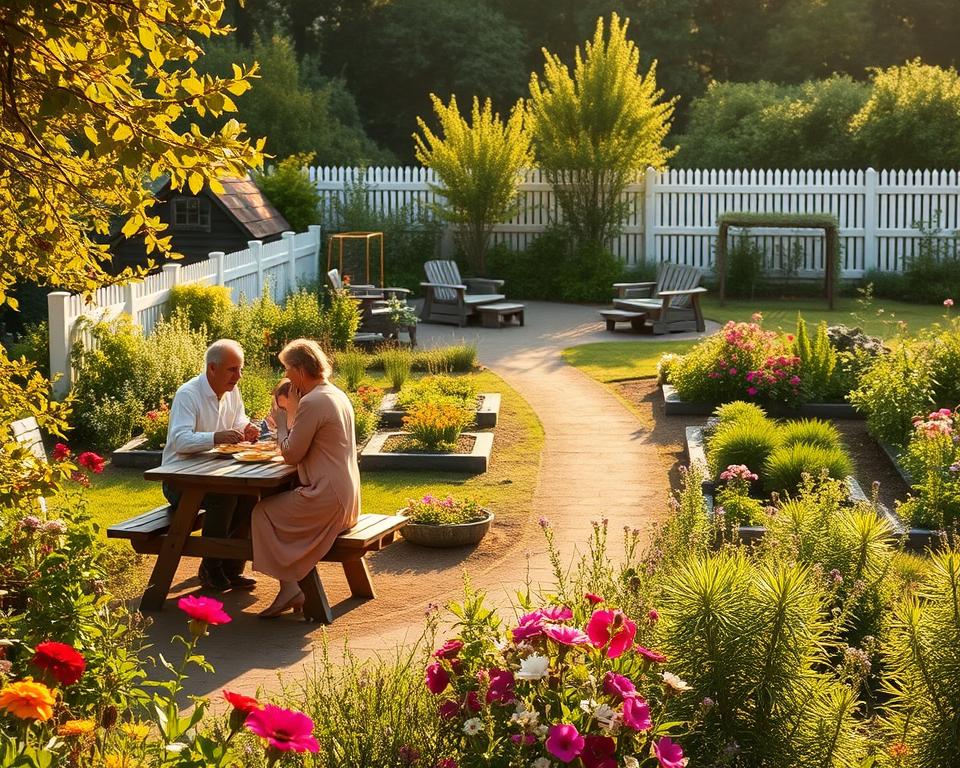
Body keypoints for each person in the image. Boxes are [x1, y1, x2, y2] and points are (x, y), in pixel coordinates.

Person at [251, 338, 361, 618]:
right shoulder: (334, 393)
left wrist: (284, 417)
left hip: (326, 498)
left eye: (287, 368)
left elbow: (290, 454)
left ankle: (290, 586)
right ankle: (290, 585)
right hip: (346, 497)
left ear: (300, 369)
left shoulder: (313, 401)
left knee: (262, 512)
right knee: (274, 505)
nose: (285, 375)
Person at [163, 339, 261, 592]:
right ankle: (211, 568)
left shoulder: (231, 391)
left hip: (214, 473)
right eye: (232, 369)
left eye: (240, 369)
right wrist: (215, 437)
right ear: (212, 369)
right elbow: (180, 440)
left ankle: (231, 569)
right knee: (224, 499)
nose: (238, 376)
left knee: (250, 496)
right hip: (179, 481)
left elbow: (238, 420)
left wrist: (246, 428)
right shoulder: (188, 394)